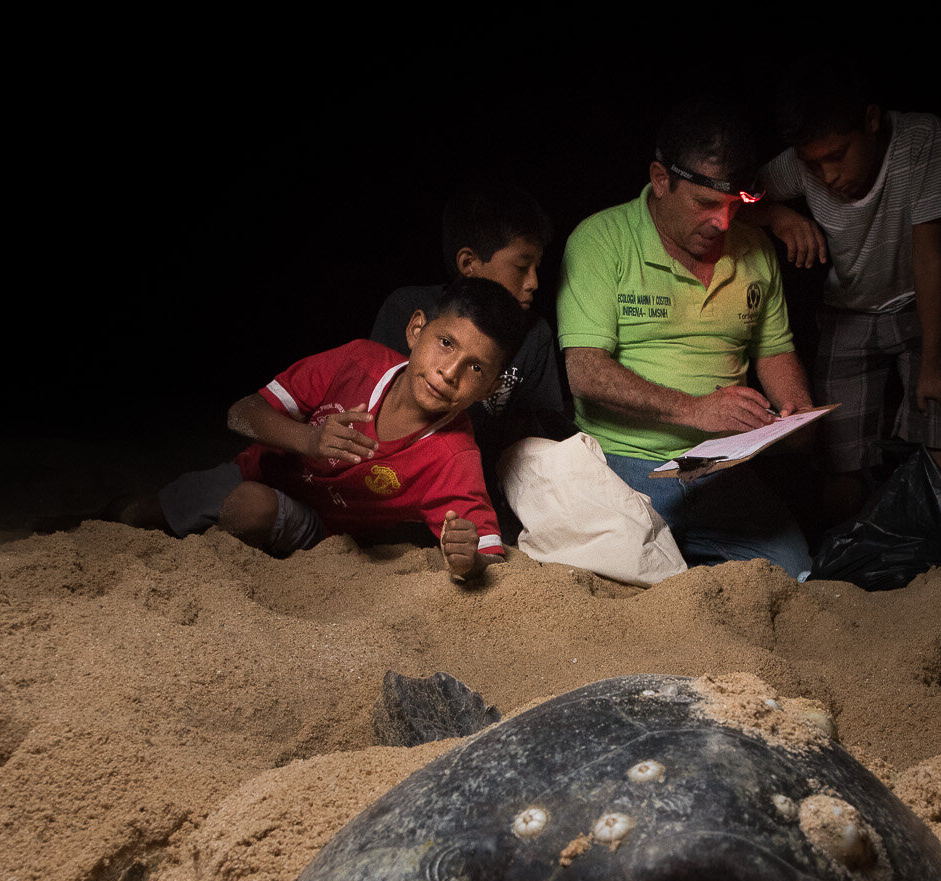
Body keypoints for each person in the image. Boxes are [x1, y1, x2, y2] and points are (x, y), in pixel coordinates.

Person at [116, 277, 530, 581]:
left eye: (476, 368)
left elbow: (487, 552)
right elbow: (241, 413)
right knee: (136, 514)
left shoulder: (453, 454)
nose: (450, 372)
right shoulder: (357, 361)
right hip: (256, 469)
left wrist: (467, 559)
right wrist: (308, 439)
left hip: (320, 529)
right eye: (446, 343)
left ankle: (231, 569)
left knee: (250, 507)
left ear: (490, 388)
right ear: (417, 329)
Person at [556, 96, 816, 580]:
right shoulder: (600, 239)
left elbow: (774, 350)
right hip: (626, 463)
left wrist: (795, 409)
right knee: (622, 584)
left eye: (733, 205)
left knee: (797, 574)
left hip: (721, 470)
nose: (721, 221)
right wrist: (694, 409)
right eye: (703, 203)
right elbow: (584, 371)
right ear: (660, 179)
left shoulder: (756, 250)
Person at [750, 56, 941, 520]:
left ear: (871, 121)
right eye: (815, 164)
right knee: (840, 452)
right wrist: (778, 214)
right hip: (847, 309)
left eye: (836, 156)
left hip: (920, 302)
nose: (827, 176)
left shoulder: (920, 139)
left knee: (940, 418)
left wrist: (933, 364)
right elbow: (740, 197)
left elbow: (929, 254)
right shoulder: (800, 165)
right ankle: (850, 562)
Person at [370, 183, 570, 544]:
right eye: (522, 266)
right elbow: (372, 399)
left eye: (537, 267)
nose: (534, 283)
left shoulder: (534, 335)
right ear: (469, 264)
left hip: (477, 491)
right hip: (394, 484)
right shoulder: (408, 308)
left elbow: (546, 430)